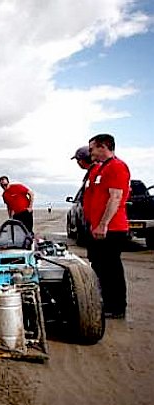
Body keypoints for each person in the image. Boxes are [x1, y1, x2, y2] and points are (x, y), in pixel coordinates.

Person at [82, 133, 130, 319]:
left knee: (112, 269)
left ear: (103, 147)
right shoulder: (101, 168)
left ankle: (116, 307)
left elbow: (115, 197)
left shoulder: (117, 167)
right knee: (100, 266)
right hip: (98, 228)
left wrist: (103, 225)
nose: (90, 151)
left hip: (112, 228)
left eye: (92, 148)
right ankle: (106, 300)